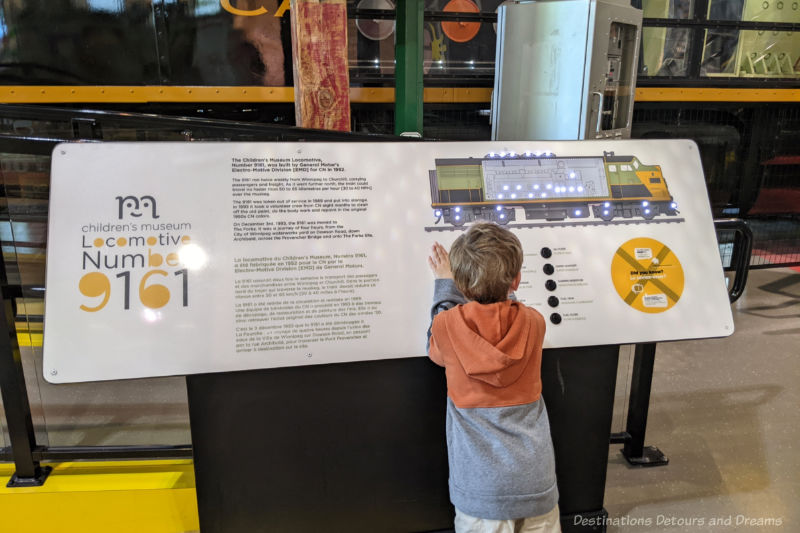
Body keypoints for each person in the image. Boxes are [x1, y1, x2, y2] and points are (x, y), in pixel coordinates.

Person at [426, 221, 561, 533]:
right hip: (537, 483)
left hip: (481, 492)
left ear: (460, 284)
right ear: (517, 279)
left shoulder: (446, 328)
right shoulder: (535, 322)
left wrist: (445, 285)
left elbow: (436, 346)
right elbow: (508, 314)